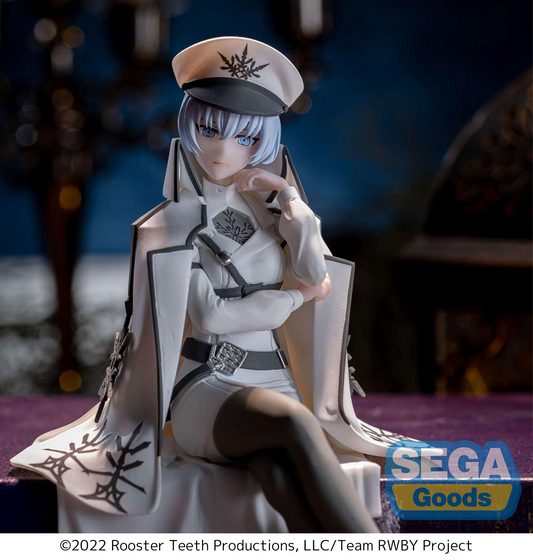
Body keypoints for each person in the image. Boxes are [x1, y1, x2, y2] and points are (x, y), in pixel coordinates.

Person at [12, 37, 416, 533]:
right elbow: (212, 315)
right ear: (189, 126)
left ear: (264, 139)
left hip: (276, 382)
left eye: (245, 137)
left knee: (276, 472)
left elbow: (318, 274)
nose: (224, 150)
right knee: (293, 425)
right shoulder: (171, 222)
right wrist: (294, 298)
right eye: (209, 130)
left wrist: (289, 200)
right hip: (209, 385)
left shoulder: (272, 211)